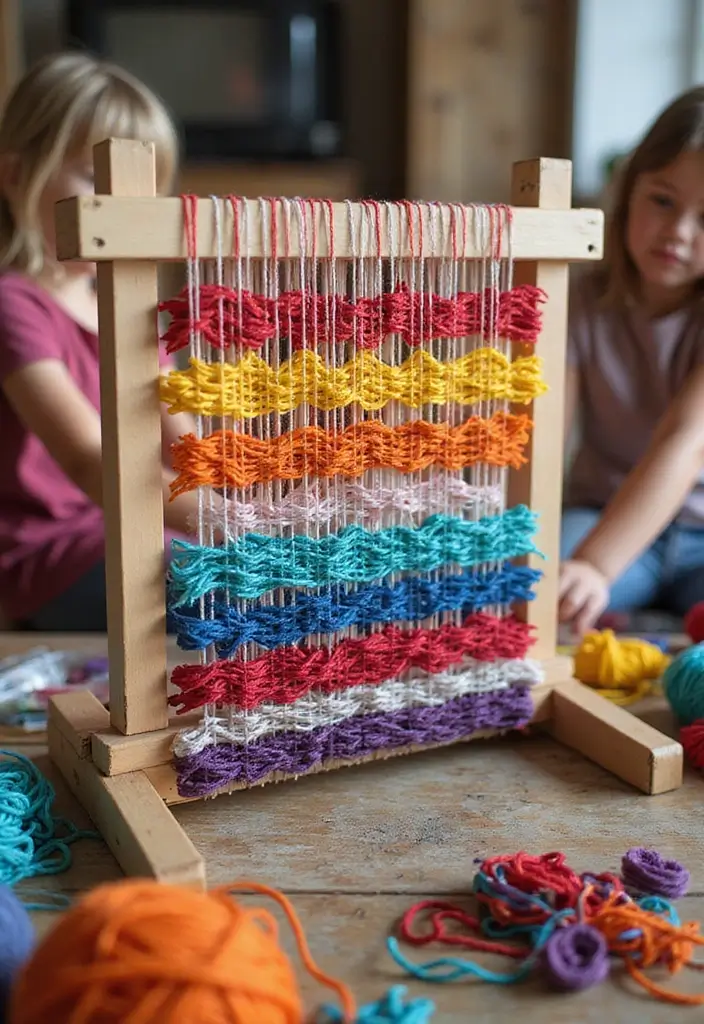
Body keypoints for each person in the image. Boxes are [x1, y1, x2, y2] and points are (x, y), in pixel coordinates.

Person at [0, 52, 202, 632]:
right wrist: (238, 529)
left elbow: (187, 454)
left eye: (146, 192)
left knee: (252, 576)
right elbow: (92, 463)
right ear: (17, 176)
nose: (128, 211)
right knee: (213, 582)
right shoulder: (14, 304)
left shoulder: (132, 315)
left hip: (132, 528)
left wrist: (272, 518)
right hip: (46, 556)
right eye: (99, 182)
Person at [559, 86, 704, 636]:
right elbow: (543, 436)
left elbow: (685, 443)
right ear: (628, 193)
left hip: (700, 536)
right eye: (662, 201)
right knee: (534, 589)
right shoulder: (580, 300)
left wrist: (598, 567)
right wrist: (583, 565)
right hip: (600, 513)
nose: (679, 233)